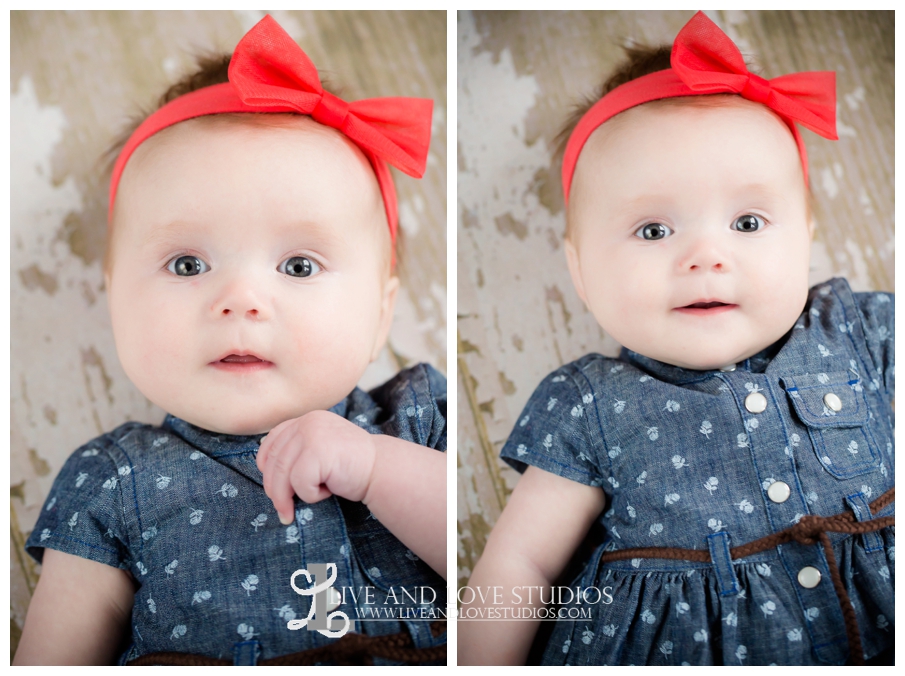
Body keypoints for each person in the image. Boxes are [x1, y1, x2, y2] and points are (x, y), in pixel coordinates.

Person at [460, 11, 893, 666]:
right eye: (653, 231)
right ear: (578, 267)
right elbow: (520, 564)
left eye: (747, 221)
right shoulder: (590, 403)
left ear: (805, 233)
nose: (705, 256)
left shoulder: (863, 333)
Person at [15, 15, 446, 666]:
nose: (240, 300)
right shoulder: (114, 477)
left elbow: (499, 574)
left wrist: (375, 468)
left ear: (381, 313)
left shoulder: (411, 421)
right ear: (114, 296)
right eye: (187, 265)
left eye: (298, 267)